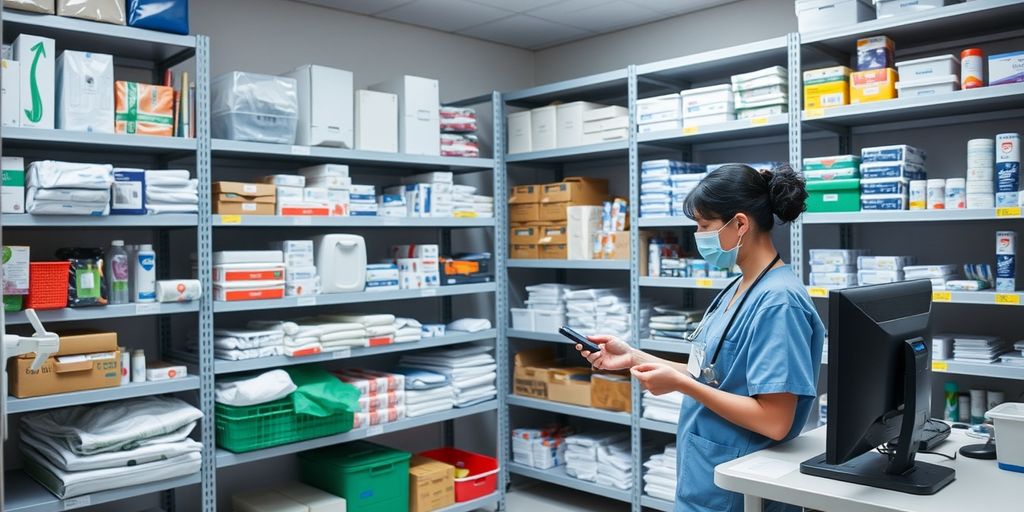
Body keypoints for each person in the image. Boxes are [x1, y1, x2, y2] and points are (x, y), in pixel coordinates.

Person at [577, 163, 825, 512]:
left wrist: (682, 387)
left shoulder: (779, 302)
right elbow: (708, 373)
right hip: (708, 476)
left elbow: (775, 420)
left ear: (740, 224)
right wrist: (632, 356)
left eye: (704, 225)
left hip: (742, 489)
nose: (698, 235)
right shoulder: (739, 287)